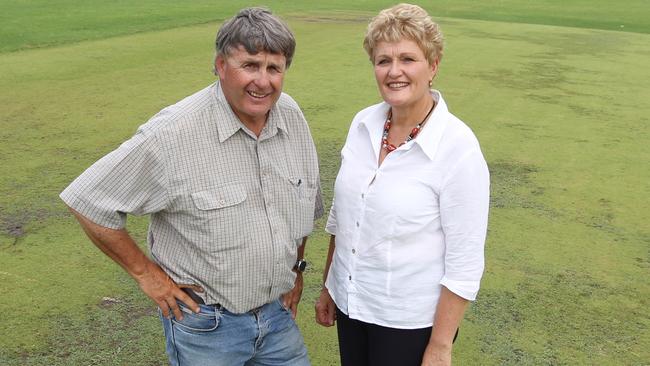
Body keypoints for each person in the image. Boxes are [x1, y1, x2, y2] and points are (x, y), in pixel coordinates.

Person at [61, 7, 322, 366]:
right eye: (250, 65)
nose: (263, 81)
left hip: (277, 318)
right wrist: (147, 276)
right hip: (207, 327)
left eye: (274, 68)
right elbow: (88, 199)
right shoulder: (172, 134)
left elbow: (302, 204)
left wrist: (297, 270)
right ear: (220, 66)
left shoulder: (290, 115)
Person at [314, 3, 489, 366]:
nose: (395, 72)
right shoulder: (363, 124)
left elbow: (465, 261)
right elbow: (344, 215)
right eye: (383, 61)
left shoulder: (458, 147)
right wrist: (331, 286)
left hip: (409, 324)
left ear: (433, 66)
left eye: (408, 59)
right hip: (353, 307)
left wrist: (440, 347)